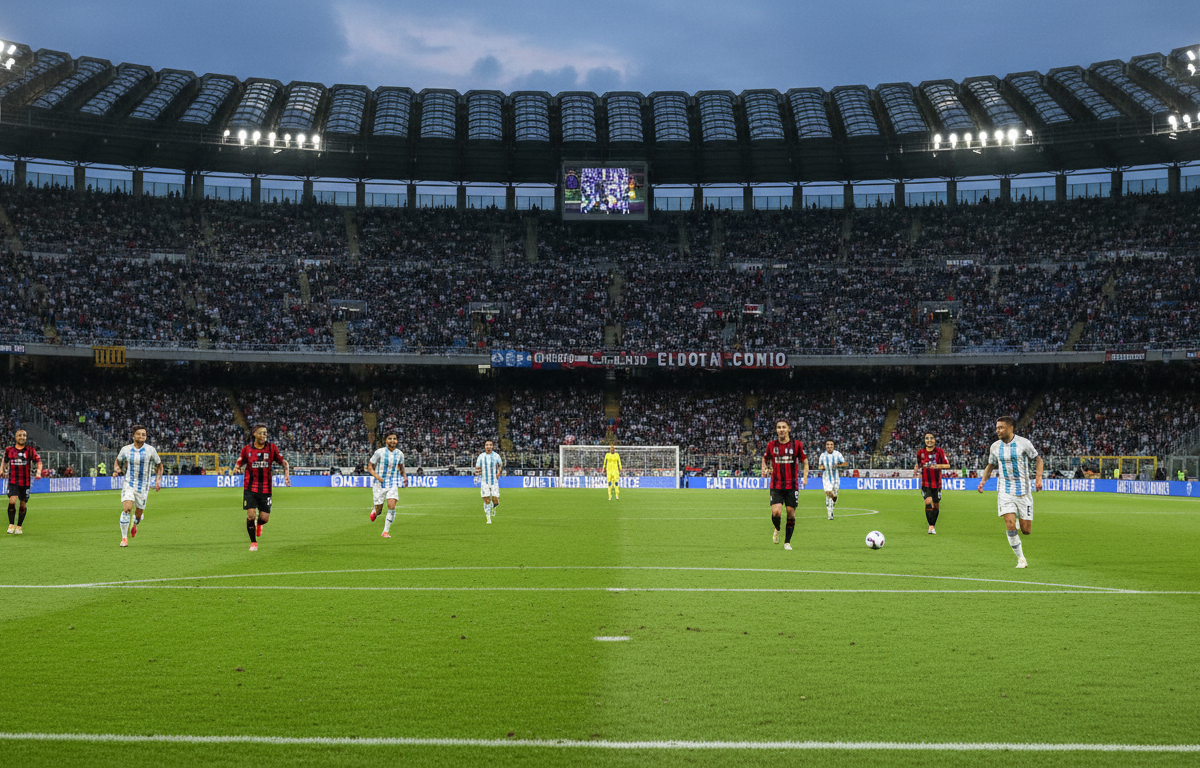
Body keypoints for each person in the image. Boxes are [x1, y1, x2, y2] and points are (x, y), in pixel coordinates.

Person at [977, 416, 1043, 569]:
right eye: (997, 428)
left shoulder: (1023, 443)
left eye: (1001, 428)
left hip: (1024, 490)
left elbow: (1038, 459)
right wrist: (983, 482)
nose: (997, 431)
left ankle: (1019, 516)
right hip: (1005, 490)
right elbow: (990, 465)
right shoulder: (995, 447)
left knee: (1026, 530)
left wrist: (1038, 478)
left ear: (1010, 428)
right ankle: (1021, 559)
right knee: (1009, 524)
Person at [233, 424, 291, 551]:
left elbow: (284, 462)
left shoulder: (272, 448)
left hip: (266, 489)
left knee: (264, 518)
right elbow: (239, 462)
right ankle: (253, 542)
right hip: (250, 487)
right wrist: (237, 468)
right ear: (254, 434)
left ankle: (259, 524)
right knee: (250, 515)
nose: (264, 435)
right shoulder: (247, 449)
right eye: (261, 433)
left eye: (265, 433)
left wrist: (286, 475)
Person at [112, 426, 163, 547]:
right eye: (139, 434)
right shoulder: (126, 449)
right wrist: (116, 469)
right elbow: (117, 460)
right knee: (127, 509)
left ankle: (135, 522)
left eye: (144, 434)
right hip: (129, 483)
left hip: (143, 486)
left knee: (138, 516)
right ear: (133, 435)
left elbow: (159, 465)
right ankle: (124, 538)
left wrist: (158, 480)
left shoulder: (151, 450)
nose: (141, 436)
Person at [761, 420, 808, 551]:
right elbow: (765, 458)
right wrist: (765, 469)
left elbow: (804, 460)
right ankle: (777, 528)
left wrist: (805, 477)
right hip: (776, 485)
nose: (781, 429)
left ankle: (787, 542)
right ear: (776, 430)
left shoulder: (796, 445)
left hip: (792, 485)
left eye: (783, 427)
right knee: (776, 513)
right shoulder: (771, 445)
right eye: (778, 427)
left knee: (790, 514)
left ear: (788, 429)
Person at [1, 429, 42, 535]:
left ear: (26, 437)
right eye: (20, 435)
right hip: (13, 481)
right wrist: (1, 470)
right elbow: (4, 460)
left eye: (24, 435)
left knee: (23, 505)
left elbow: (38, 461)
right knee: (12, 502)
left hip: (25, 482)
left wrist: (38, 472)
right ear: (16, 437)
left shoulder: (30, 450)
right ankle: (11, 525)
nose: (22, 437)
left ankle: (19, 526)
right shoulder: (9, 450)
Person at [368, 431, 407, 539]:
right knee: (379, 511)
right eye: (390, 438)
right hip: (379, 484)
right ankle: (375, 509)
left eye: (394, 439)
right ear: (386, 440)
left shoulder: (400, 454)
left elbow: (401, 467)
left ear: (397, 441)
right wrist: (378, 477)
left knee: (391, 505)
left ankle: (385, 531)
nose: (392, 441)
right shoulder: (379, 452)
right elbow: (370, 467)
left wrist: (404, 477)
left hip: (392, 482)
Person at [916, 432, 951, 534]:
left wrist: (937, 466)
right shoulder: (921, 452)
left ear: (934, 440)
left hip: (937, 484)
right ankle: (930, 526)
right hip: (925, 483)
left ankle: (933, 525)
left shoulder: (940, 451)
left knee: (936, 506)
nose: (929, 440)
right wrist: (917, 472)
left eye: (931, 438)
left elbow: (947, 465)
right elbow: (919, 464)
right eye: (927, 438)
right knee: (928, 502)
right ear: (925, 441)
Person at [474, 439, 504, 524]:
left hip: (494, 481)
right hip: (484, 481)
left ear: (492, 446)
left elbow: (500, 465)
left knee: (495, 500)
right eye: (487, 445)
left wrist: (498, 472)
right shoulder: (481, 457)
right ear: (485, 446)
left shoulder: (496, 456)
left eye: (490, 445)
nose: (488, 447)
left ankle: (494, 506)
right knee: (486, 499)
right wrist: (477, 472)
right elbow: (478, 468)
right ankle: (488, 518)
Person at [817, 439, 846, 520]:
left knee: (833, 497)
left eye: (831, 444)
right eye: (828, 444)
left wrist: (838, 465)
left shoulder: (838, 454)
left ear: (833, 446)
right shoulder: (822, 455)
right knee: (828, 492)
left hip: (836, 478)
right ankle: (829, 514)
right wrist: (822, 467)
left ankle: (831, 510)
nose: (829, 446)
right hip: (826, 478)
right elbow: (820, 466)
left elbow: (844, 463)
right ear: (826, 446)